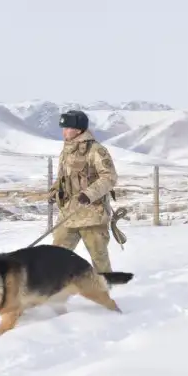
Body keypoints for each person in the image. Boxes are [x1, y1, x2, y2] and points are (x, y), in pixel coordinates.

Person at [49, 110, 118, 273]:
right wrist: (55, 191)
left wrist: (89, 194)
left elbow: (109, 177)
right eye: (63, 127)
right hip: (69, 214)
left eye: (67, 128)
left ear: (79, 130)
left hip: (92, 215)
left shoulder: (96, 150)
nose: (64, 131)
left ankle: (105, 291)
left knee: (99, 259)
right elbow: (64, 176)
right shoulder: (67, 149)